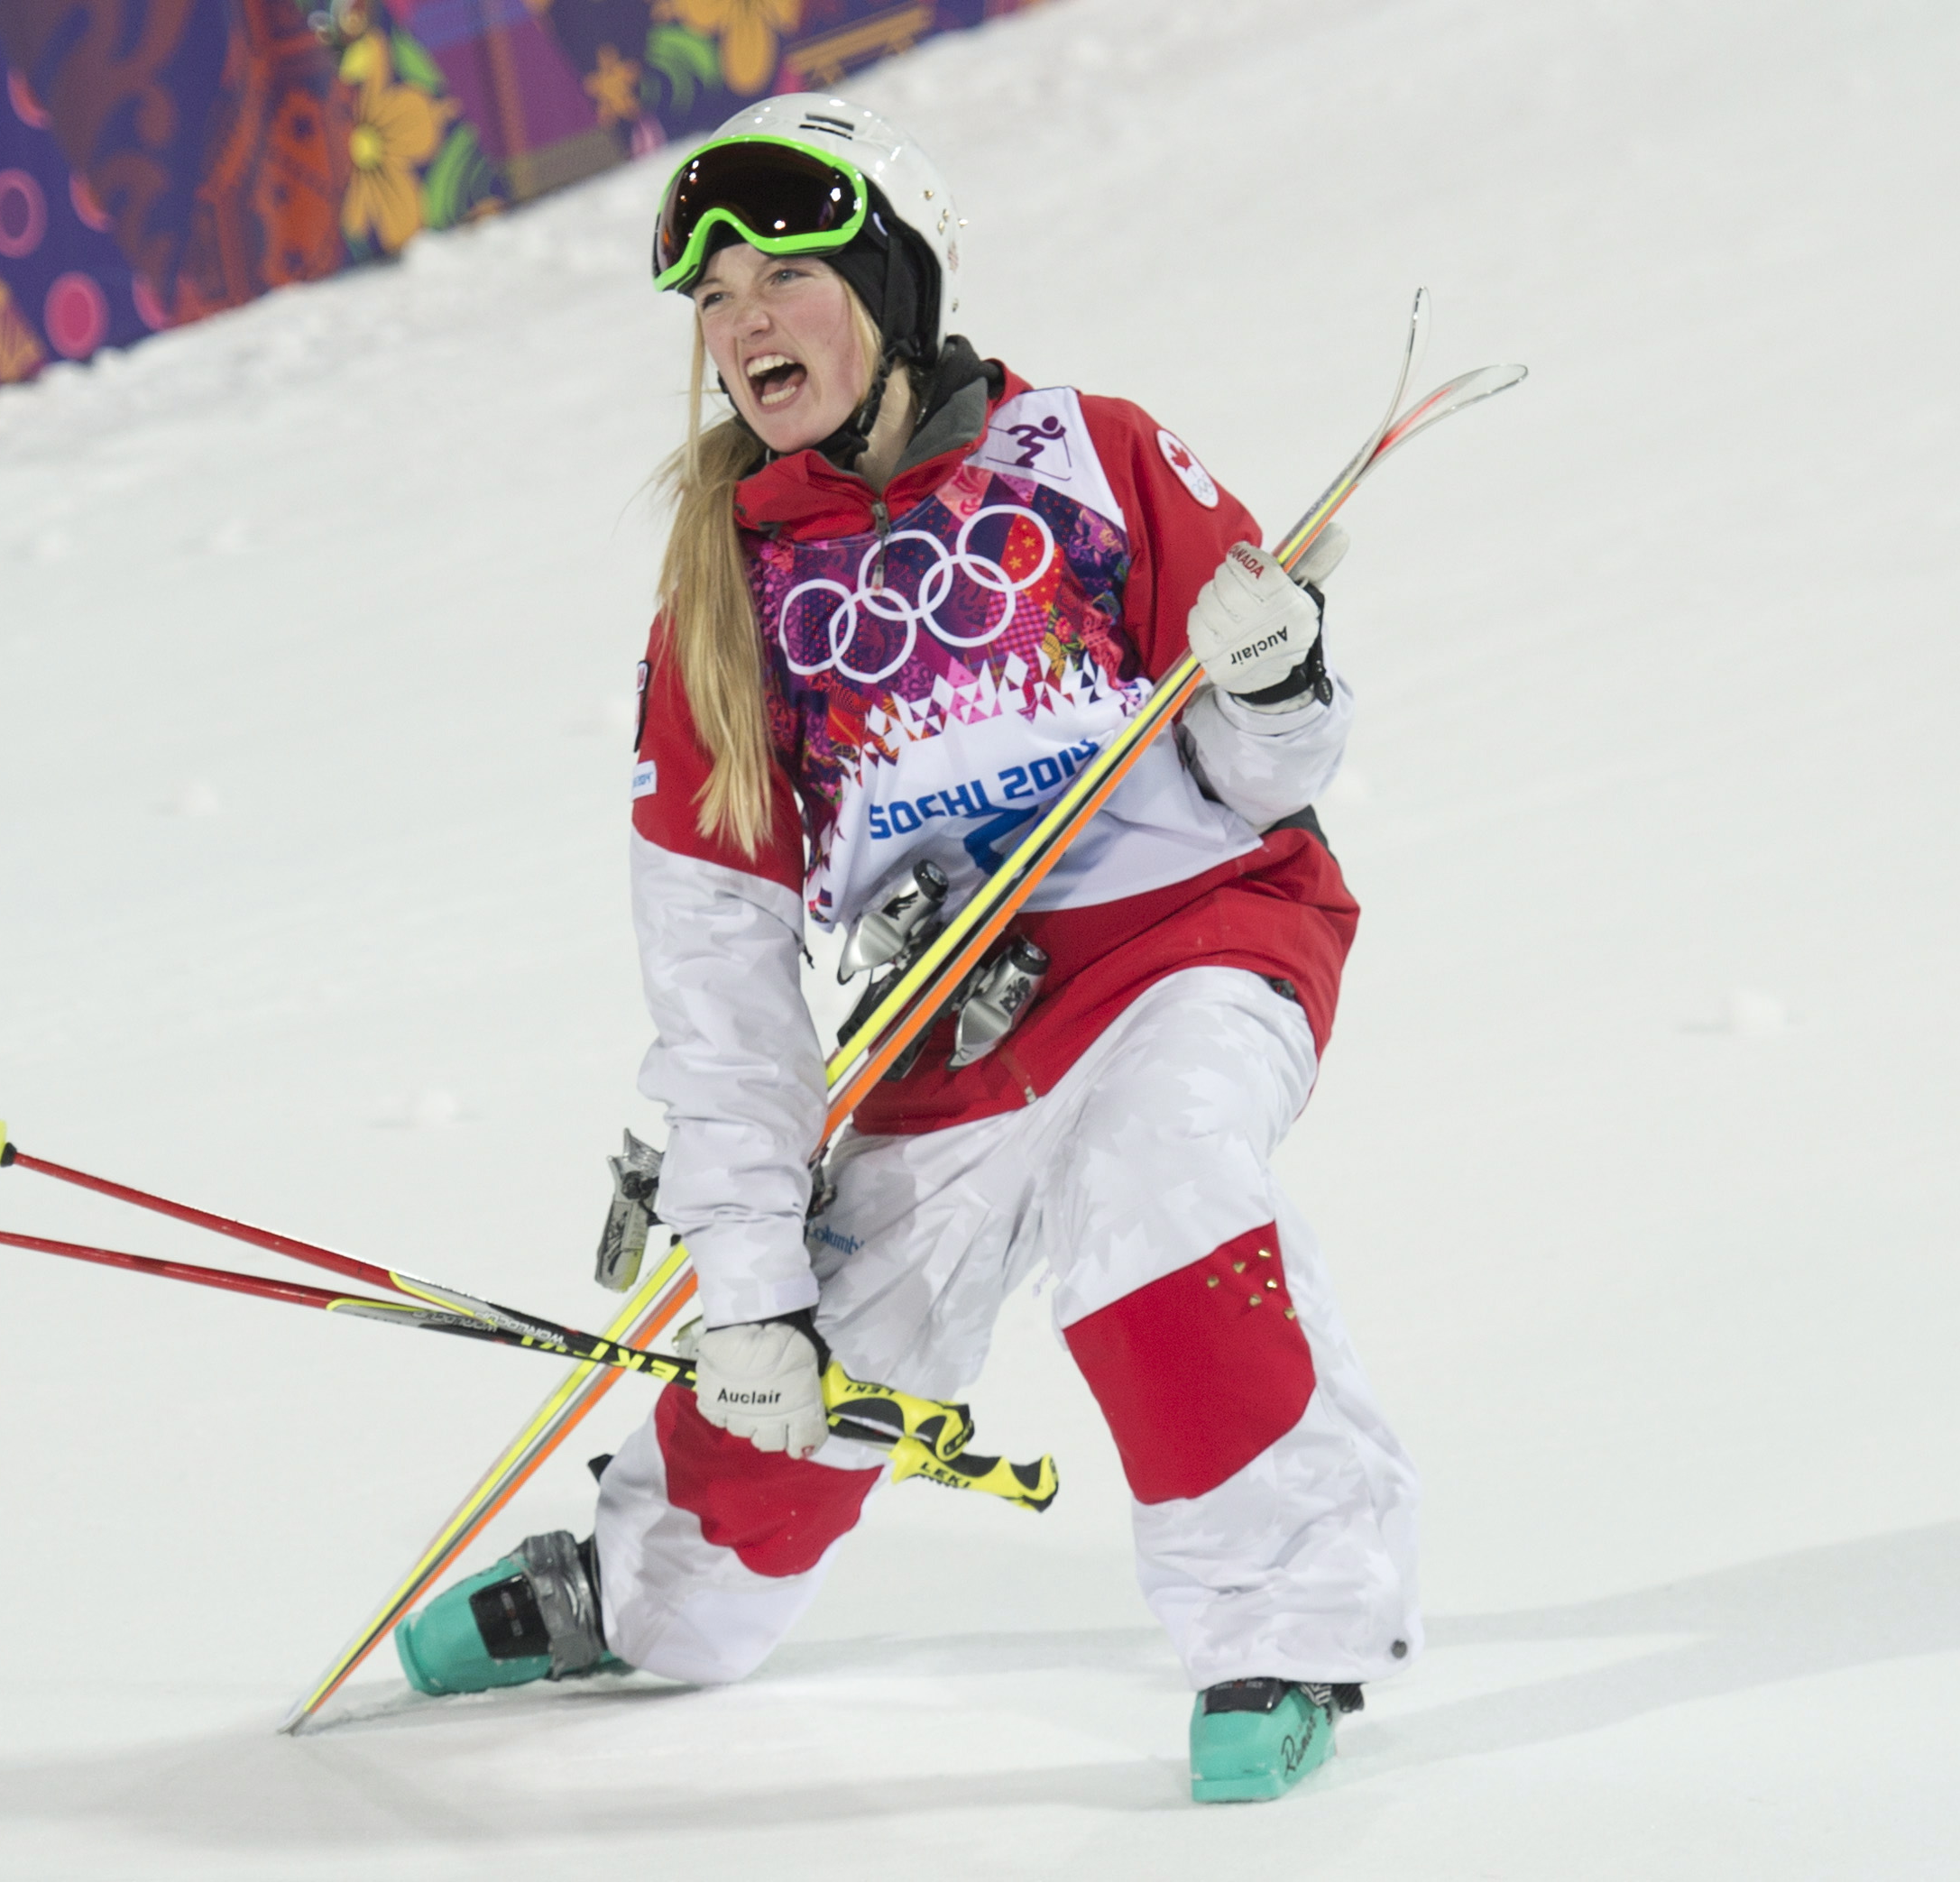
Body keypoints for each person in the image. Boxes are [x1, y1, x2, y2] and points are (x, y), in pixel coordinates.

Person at [391, 95, 1420, 1804]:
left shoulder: (1091, 452)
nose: (744, 328)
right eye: (714, 305)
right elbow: (714, 959)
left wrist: (1276, 677)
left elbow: (1263, 787)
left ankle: (1287, 1627)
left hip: (1190, 936)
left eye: (784, 277)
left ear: (893, 281)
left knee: (1155, 1191)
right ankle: (645, 1598)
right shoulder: (724, 583)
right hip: (957, 1019)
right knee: (830, 1341)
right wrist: (744, 1283)